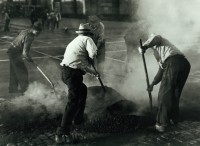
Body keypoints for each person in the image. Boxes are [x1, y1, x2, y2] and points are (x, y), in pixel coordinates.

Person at [55, 23, 99, 144]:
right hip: (73, 74)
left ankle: (78, 119)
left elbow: (79, 63)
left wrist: (94, 73)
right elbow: (93, 54)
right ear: (89, 33)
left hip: (66, 72)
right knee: (72, 102)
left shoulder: (76, 41)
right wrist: (93, 57)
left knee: (83, 90)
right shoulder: (88, 39)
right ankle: (62, 132)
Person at [138, 34, 191, 132]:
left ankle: (161, 124)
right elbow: (162, 70)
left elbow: (155, 38)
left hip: (174, 64)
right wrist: (152, 84)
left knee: (164, 95)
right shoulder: (159, 52)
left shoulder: (158, 40)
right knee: (174, 94)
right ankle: (173, 120)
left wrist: (144, 46)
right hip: (184, 65)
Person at [7, 22, 42, 94]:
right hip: (15, 53)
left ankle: (12, 89)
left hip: (11, 50)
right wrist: (30, 60)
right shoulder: (30, 37)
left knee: (14, 71)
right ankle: (25, 91)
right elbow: (25, 53)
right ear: (33, 29)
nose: (38, 34)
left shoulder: (25, 31)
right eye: (37, 32)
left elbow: (20, 41)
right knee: (23, 72)